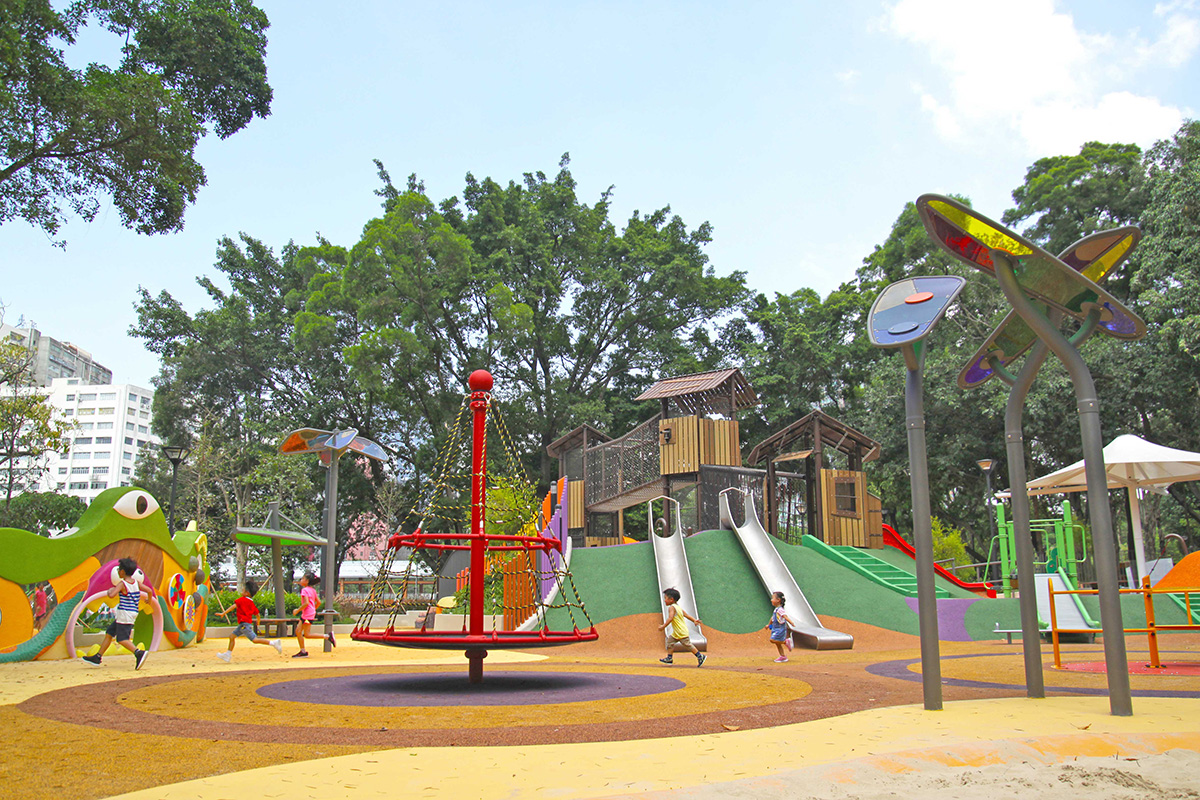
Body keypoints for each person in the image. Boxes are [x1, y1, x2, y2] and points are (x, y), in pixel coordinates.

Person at [82, 557, 152, 669]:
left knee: (122, 639)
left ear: (122, 571)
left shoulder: (122, 584)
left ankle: (139, 653)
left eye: (119, 569)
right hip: (130, 613)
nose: (118, 571)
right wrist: (148, 599)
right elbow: (149, 590)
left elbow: (111, 595)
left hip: (125, 614)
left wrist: (110, 590)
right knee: (110, 632)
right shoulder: (136, 583)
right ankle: (98, 657)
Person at [216, 580, 282, 662]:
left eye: (243, 590)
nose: (241, 591)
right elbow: (257, 614)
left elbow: (233, 606)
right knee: (232, 637)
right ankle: (228, 654)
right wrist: (258, 623)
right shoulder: (251, 602)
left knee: (254, 640)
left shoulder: (241, 600)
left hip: (244, 625)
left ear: (246, 593)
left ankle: (273, 643)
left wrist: (224, 613)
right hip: (244, 625)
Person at [658, 587, 705, 666]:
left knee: (687, 644)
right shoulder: (678, 607)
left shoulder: (672, 608)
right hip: (677, 632)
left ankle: (700, 656)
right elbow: (686, 615)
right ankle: (669, 658)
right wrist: (694, 620)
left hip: (680, 631)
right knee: (670, 642)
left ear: (671, 599)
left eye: (665, 598)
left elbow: (670, 618)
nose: (664, 600)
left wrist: (663, 626)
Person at [292, 572, 335, 657]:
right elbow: (318, 602)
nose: (301, 580)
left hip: (307, 615)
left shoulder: (304, 590)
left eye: (302, 579)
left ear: (307, 581)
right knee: (298, 631)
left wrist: (297, 610)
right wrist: (313, 610)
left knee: (307, 634)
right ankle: (303, 651)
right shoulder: (313, 590)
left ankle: (327, 636)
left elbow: (306, 603)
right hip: (308, 614)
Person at [765, 590, 795, 663]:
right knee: (777, 643)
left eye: (773, 598)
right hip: (775, 628)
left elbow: (785, 617)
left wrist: (791, 623)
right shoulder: (776, 610)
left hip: (780, 628)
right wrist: (769, 625)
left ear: (778, 600)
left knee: (772, 640)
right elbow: (772, 618)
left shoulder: (780, 610)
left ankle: (786, 641)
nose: (771, 600)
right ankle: (783, 656)